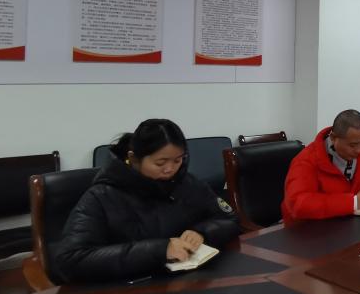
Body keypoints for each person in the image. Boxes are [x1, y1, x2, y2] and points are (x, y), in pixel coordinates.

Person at [52, 119, 240, 284]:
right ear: (133, 158)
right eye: (160, 163)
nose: (170, 169)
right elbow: (70, 260)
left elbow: (229, 218)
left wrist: (202, 232)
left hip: (186, 282)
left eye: (178, 160)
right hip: (126, 291)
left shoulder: (187, 183)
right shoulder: (102, 195)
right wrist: (160, 250)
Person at [281, 109, 360, 223]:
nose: (359, 150)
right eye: (352, 145)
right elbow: (298, 204)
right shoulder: (306, 160)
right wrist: (354, 202)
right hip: (310, 231)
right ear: (333, 138)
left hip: (350, 224)